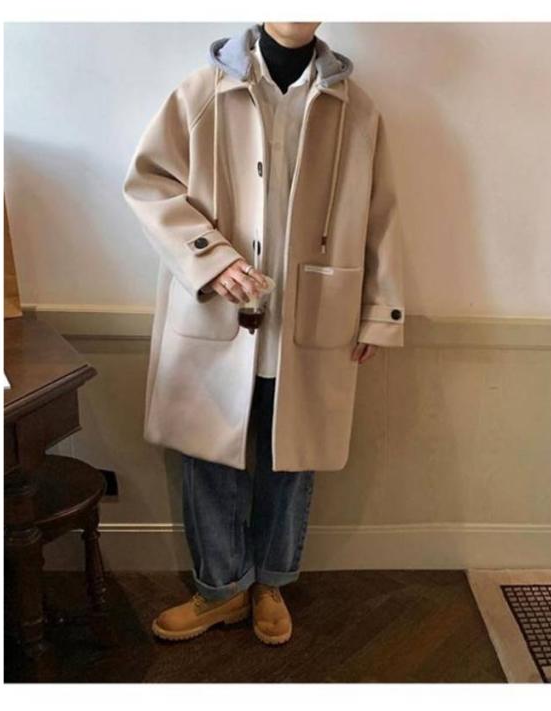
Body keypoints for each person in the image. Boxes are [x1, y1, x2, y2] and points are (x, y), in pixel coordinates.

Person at [123, 21, 405, 646]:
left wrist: (378, 311)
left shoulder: (356, 109)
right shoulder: (203, 92)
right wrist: (210, 257)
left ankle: (271, 583)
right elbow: (149, 184)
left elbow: (381, 214)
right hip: (217, 312)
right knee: (207, 455)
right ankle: (220, 588)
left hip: (311, 319)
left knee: (292, 456)